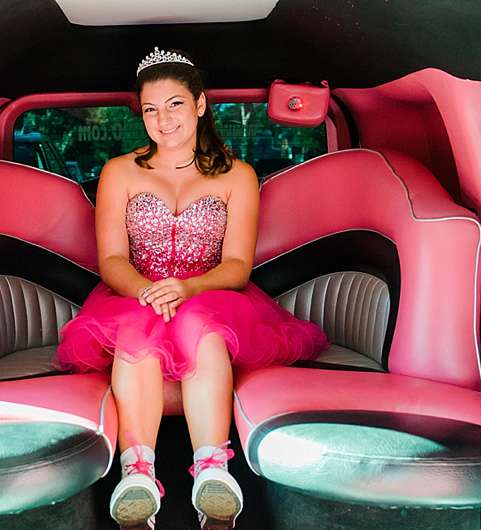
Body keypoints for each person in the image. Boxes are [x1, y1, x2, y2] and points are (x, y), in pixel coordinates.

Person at [56, 47, 329, 530]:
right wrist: (147, 291)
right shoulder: (120, 172)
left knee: (202, 324)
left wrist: (186, 287)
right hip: (136, 294)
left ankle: (213, 472)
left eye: (175, 105)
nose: (163, 121)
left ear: (200, 105)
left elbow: (239, 265)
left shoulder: (238, 175)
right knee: (135, 333)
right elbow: (112, 259)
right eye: (150, 110)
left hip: (211, 293)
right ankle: (136, 475)